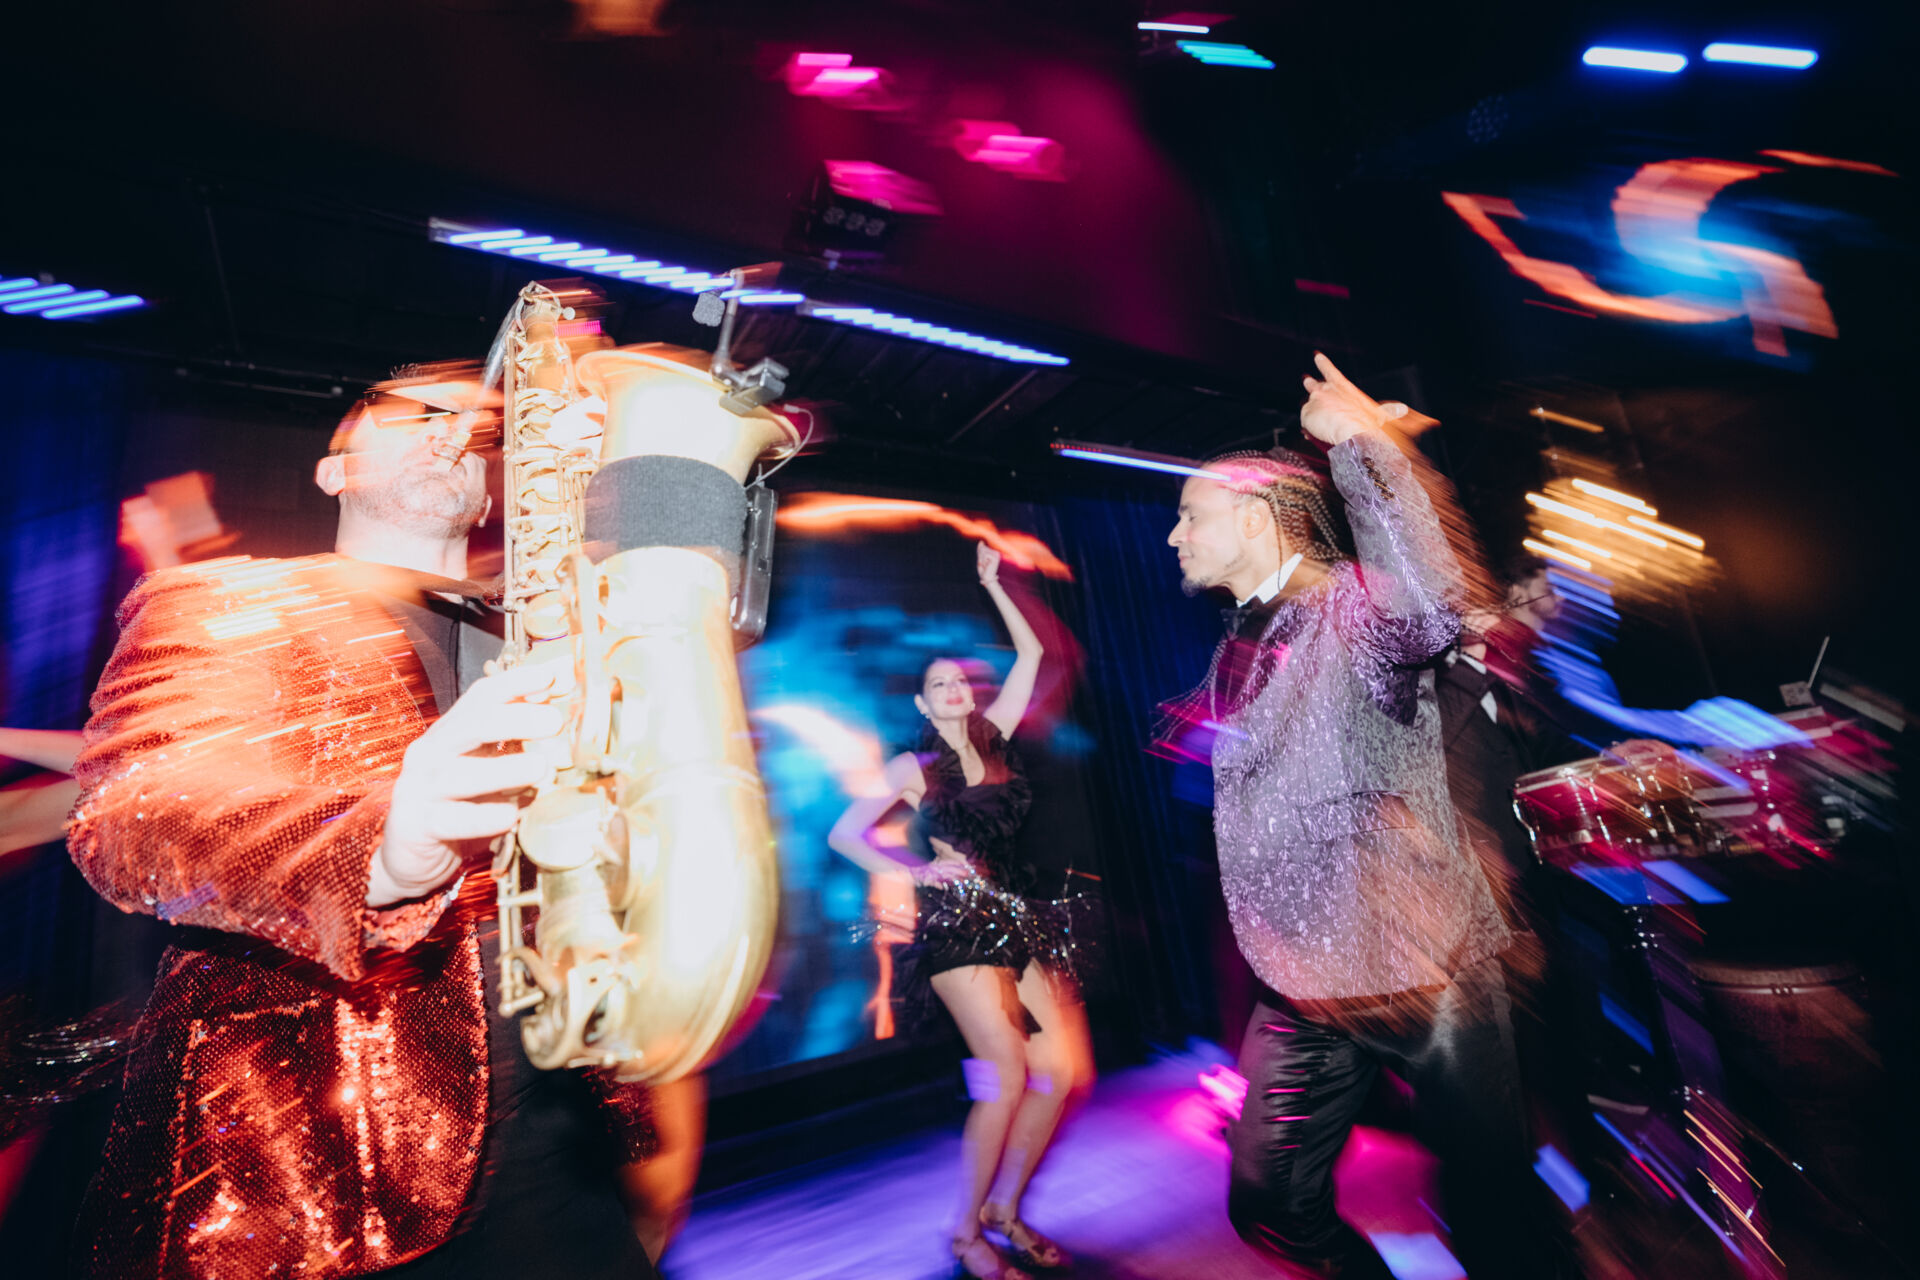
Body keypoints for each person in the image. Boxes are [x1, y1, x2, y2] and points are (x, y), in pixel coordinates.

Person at [64, 377, 665, 1279]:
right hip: (303, 1169)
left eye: (475, 425)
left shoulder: (554, 641)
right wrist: (379, 851)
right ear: (333, 470)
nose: (452, 431)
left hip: (558, 1145)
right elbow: (137, 814)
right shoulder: (222, 598)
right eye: (415, 414)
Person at [1163, 354, 1530, 1280]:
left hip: (1422, 965)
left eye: (1190, 514)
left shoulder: (1351, 608)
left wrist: (1364, 444)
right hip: (1302, 981)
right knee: (1270, 1204)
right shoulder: (1238, 642)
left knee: (1494, 1220)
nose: (1174, 534)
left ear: (1256, 519)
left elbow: (1433, 601)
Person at [828, 543, 1094, 1280]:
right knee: (1005, 1077)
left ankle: (1005, 1210)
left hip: (1019, 916)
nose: (951, 688)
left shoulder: (996, 737)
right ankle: (963, 1232)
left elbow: (1032, 653)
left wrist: (995, 584)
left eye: (957, 680)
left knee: (1063, 1071)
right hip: (958, 926)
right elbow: (844, 835)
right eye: (935, 684)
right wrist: (916, 869)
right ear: (922, 704)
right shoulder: (912, 768)